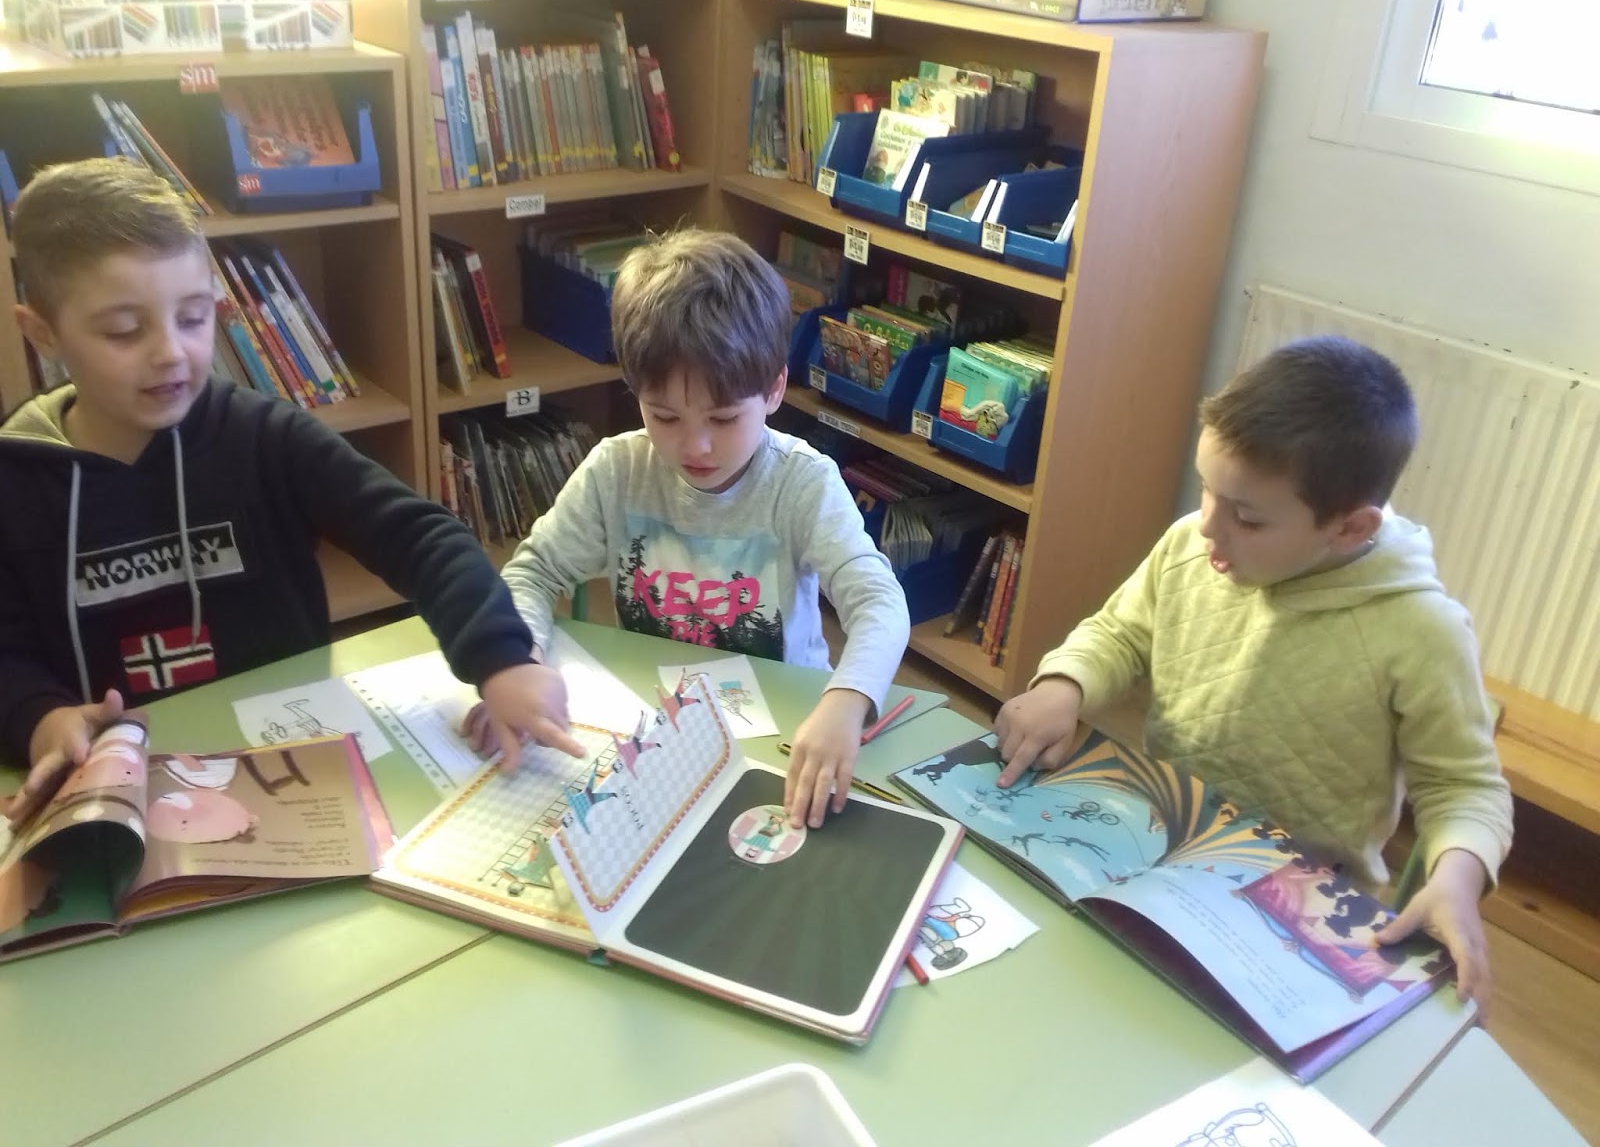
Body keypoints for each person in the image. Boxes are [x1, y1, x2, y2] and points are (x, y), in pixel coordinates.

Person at [0, 157, 580, 818]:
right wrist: (38, 717)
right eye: (125, 331)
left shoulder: (264, 436)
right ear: (42, 333)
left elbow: (419, 536)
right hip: (115, 793)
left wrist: (503, 659)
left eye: (193, 317)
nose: (171, 352)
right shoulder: (16, 480)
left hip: (292, 767)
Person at [993, 336, 1513, 1011]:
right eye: (1207, 488)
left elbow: (1465, 787)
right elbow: (1120, 633)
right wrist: (1064, 685)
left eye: (1246, 517)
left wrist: (1458, 877)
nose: (1208, 526)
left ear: (1350, 529)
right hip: (1161, 843)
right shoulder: (1191, 544)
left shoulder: (1422, 631)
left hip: (1295, 905)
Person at [484, 228, 909, 829]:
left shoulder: (803, 483)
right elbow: (533, 572)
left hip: (786, 729)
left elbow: (880, 601)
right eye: (664, 416)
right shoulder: (616, 470)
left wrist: (846, 701)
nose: (696, 446)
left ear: (774, 389)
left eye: (724, 418)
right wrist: (517, 658)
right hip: (656, 723)